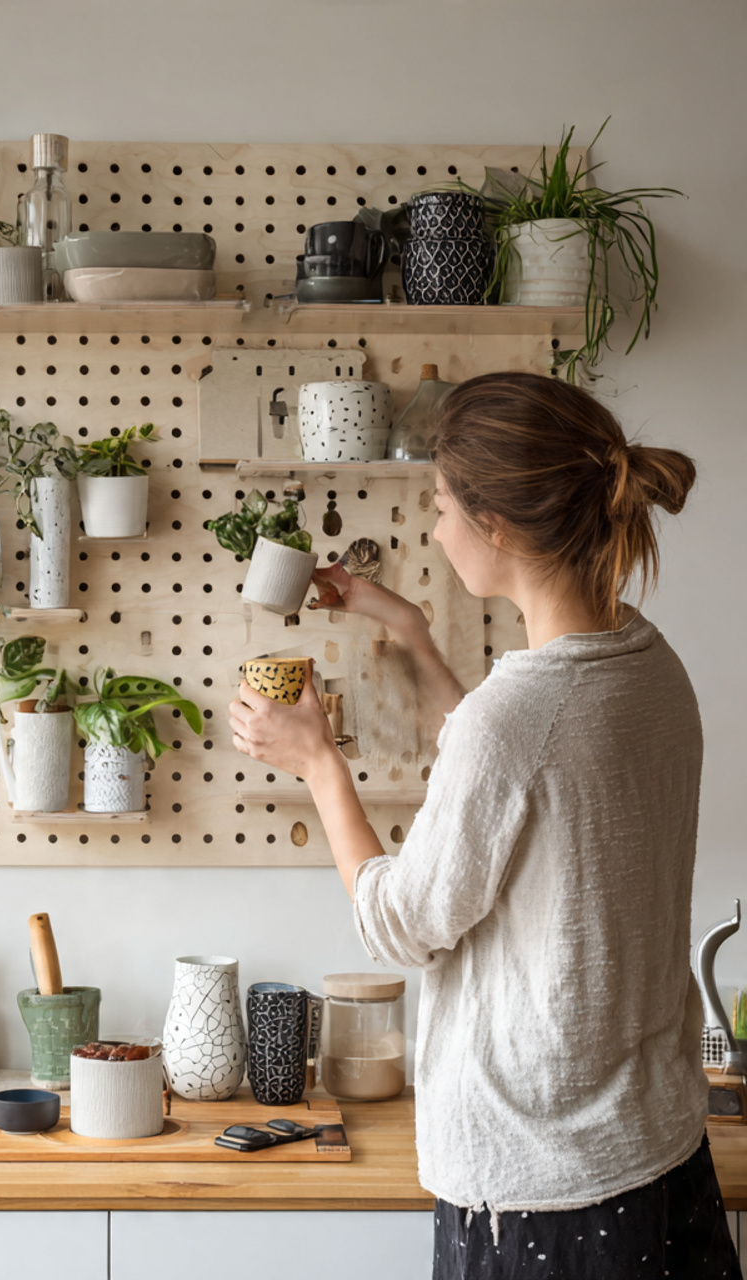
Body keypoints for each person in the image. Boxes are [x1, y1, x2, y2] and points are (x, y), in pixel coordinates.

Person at [229, 371, 740, 1280]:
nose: (433, 529)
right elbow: (518, 782)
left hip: (544, 1194)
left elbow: (401, 923)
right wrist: (415, 636)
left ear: (496, 527)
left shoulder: (519, 718)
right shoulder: (649, 665)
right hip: (657, 1155)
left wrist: (317, 764)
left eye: (439, 506)